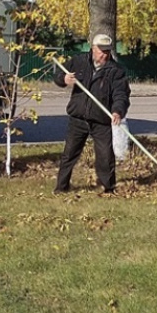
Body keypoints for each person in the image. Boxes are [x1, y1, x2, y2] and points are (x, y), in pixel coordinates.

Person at [53, 33, 131, 194]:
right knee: (69, 154)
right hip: (78, 118)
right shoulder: (79, 61)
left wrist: (117, 111)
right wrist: (64, 79)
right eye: (101, 50)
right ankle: (61, 188)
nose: (105, 54)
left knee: (105, 156)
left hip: (101, 121)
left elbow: (121, 95)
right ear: (93, 49)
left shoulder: (116, 71)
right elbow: (58, 75)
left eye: (108, 51)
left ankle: (109, 188)